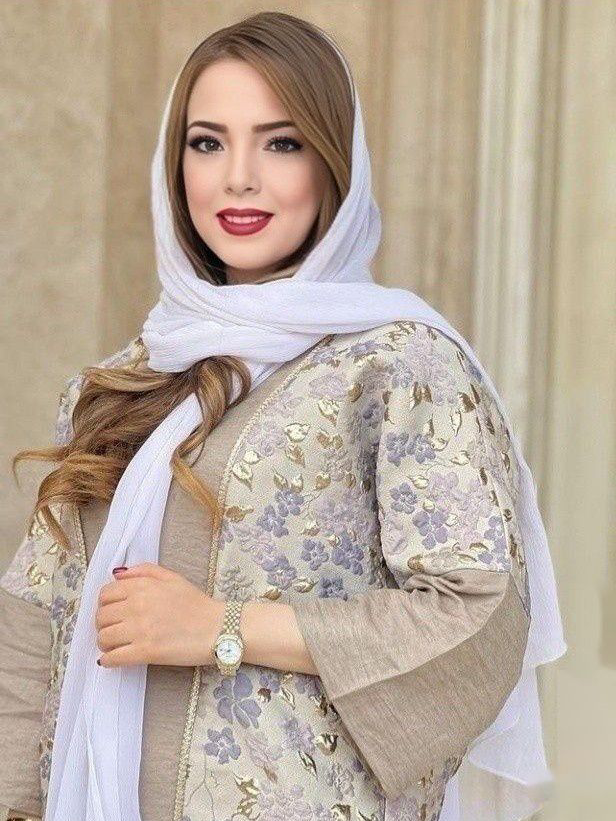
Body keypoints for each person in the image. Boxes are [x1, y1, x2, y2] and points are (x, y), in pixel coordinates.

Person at [0, 10, 566, 821]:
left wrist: (222, 626)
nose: (238, 178)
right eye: (207, 142)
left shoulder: (398, 365)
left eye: (282, 143)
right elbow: (35, 623)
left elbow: (477, 617)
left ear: (333, 163)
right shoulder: (124, 383)